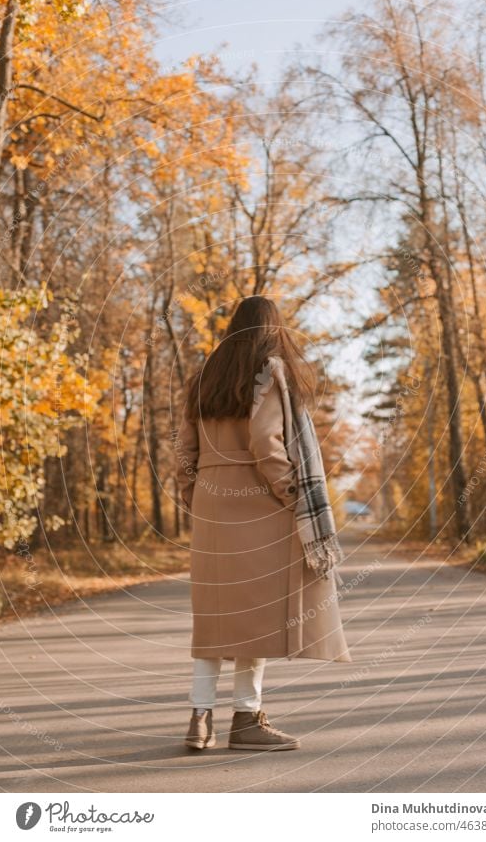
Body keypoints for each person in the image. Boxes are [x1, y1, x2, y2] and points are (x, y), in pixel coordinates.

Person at [174, 295, 350, 752]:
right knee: (254, 616)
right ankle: (246, 721)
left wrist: (195, 496)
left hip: (213, 504)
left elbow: (184, 451)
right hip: (260, 502)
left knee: (213, 617)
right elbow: (265, 442)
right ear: (273, 329)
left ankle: (199, 719)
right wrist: (291, 494)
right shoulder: (272, 373)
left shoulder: (201, 378)